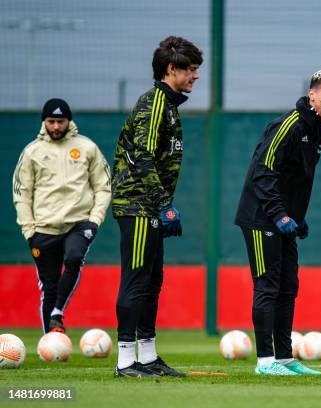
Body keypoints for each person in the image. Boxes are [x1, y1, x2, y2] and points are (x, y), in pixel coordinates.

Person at [234, 69, 321, 376]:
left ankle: (284, 358)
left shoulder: (319, 129)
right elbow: (263, 171)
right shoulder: (291, 125)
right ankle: (265, 362)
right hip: (260, 216)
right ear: (312, 96)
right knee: (267, 286)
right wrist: (280, 214)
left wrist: (296, 215)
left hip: (283, 218)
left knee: (288, 287)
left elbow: (293, 177)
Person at [111, 36, 202, 378]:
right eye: (191, 70)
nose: (195, 76)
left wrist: (163, 205)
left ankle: (147, 358)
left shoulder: (169, 105)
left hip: (150, 206)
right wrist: (164, 204)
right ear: (171, 69)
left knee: (152, 280)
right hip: (136, 205)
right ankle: (124, 361)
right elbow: (142, 156)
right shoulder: (154, 104)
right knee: (136, 280)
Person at [12, 98, 111, 333]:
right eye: (51, 121)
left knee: (74, 258)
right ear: (44, 122)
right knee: (49, 286)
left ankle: (58, 312)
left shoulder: (87, 147)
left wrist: (95, 219)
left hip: (79, 223)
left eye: (61, 121)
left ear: (69, 121)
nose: (56, 126)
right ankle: (50, 339)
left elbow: (103, 186)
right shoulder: (31, 152)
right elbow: (21, 193)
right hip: (43, 228)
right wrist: (29, 230)